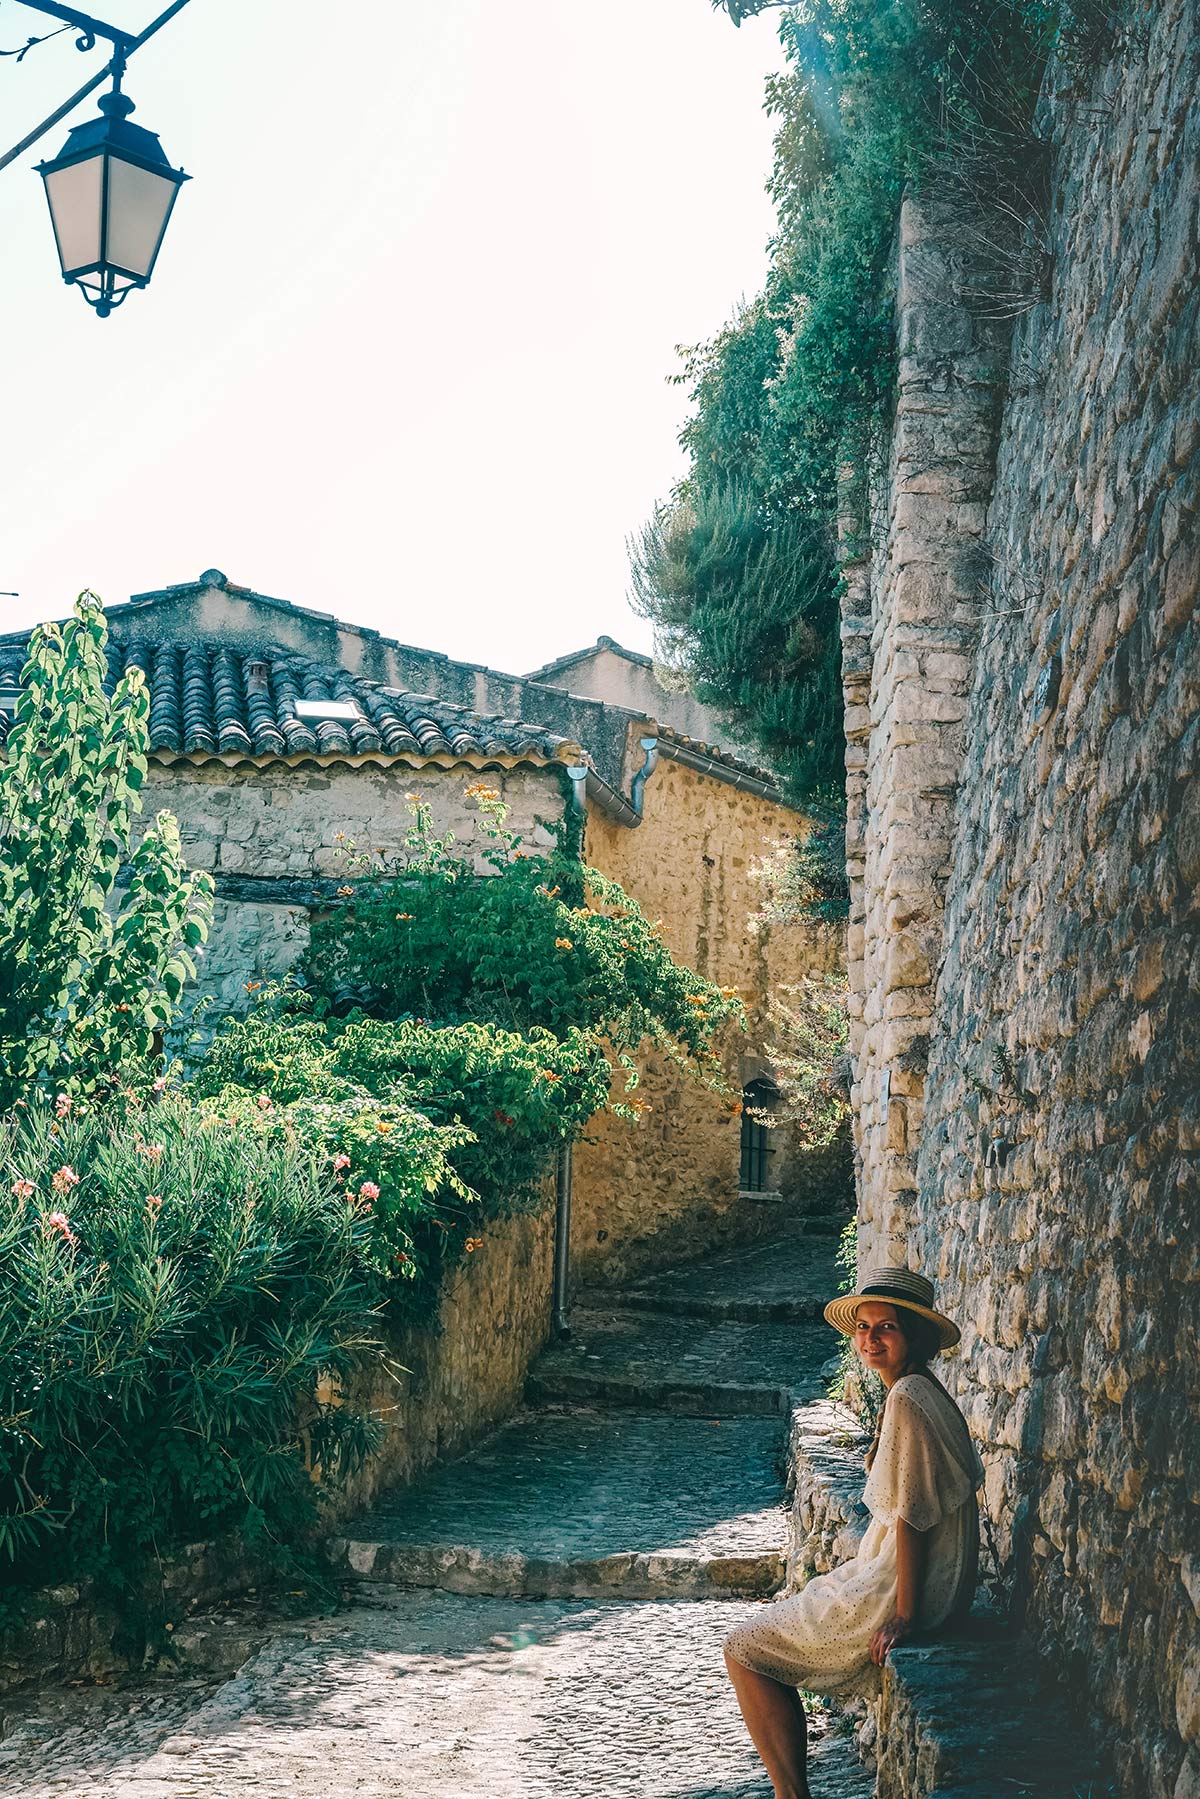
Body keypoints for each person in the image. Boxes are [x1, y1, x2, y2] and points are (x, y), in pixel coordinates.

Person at [724, 1266, 983, 1799]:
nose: (869, 1339)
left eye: (885, 1327)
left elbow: (912, 1515)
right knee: (780, 1622)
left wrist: (907, 1616)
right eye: (863, 1327)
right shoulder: (920, 1390)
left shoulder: (909, 1397)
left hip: (902, 1587)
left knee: (743, 1648)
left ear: (913, 1336)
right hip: (924, 1578)